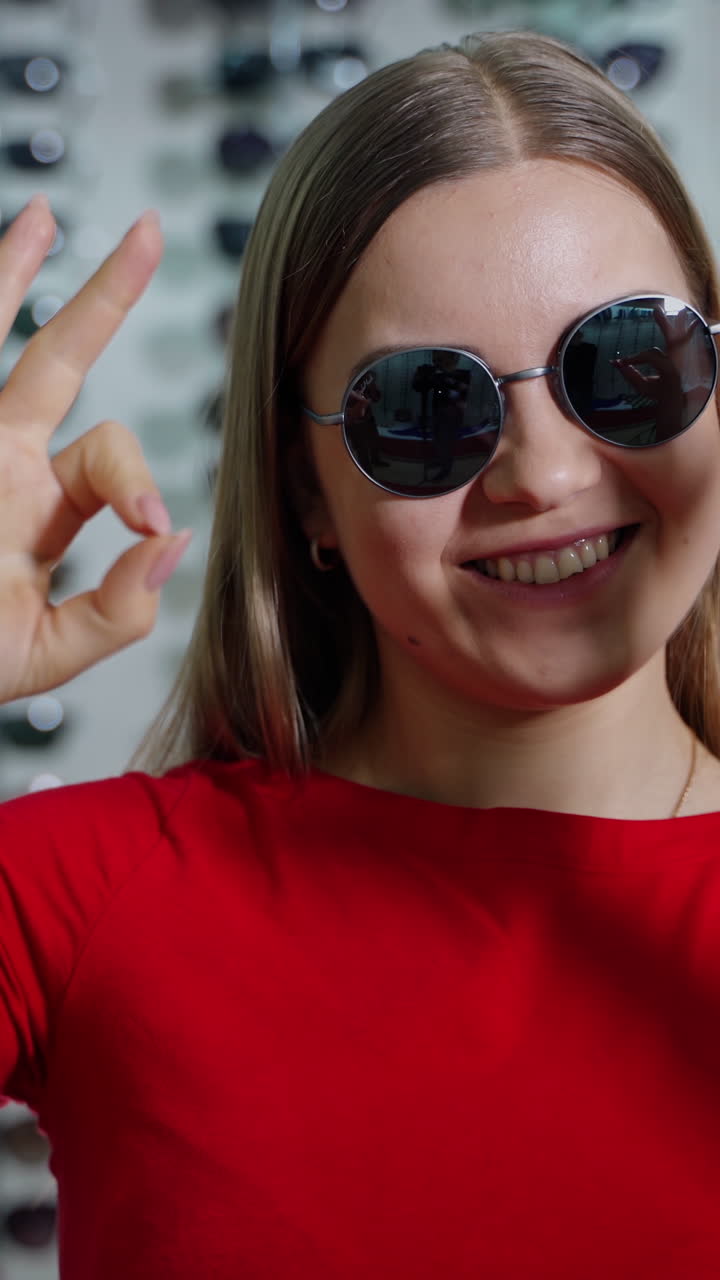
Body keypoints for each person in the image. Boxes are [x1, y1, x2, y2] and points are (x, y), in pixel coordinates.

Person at [1, 28, 720, 1279]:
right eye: (429, 406)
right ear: (310, 494)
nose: (546, 475)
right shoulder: (81, 893)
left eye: (626, 365)